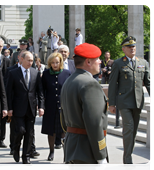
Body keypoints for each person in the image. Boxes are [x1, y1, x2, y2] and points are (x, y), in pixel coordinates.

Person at [61, 43, 108, 170]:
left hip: (74, 146)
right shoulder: (90, 84)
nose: (100, 62)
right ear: (88, 62)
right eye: (97, 59)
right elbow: (95, 123)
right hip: (87, 149)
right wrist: (101, 154)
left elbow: (63, 118)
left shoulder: (69, 81)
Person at [108, 36, 152, 170]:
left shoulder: (143, 62)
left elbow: (148, 82)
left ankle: (128, 155)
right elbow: (113, 84)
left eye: (133, 46)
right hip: (124, 102)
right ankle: (128, 160)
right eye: (129, 47)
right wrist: (112, 103)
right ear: (123, 49)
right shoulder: (118, 63)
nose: (132, 49)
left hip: (138, 102)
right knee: (128, 129)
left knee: (133, 131)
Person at [6, 51, 45, 166]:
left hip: (31, 108)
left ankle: (26, 157)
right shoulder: (13, 73)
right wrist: (9, 108)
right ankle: (16, 146)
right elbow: (8, 92)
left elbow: (40, 92)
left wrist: (41, 106)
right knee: (21, 130)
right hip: (17, 108)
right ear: (21, 59)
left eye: (32, 60)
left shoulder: (35, 73)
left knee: (29, 133)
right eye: (28, 60)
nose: (30, 63)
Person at [41, 52, 71, 161]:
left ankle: (66, 154)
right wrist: (42, 106)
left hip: (63, 107)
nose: (55, 65)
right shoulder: (46, 74)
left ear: (61, 62)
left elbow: (70, 90)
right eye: (53, 63)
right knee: (51, 131)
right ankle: (51, 151)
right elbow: (42, 91)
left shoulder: (67, 73)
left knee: (64, 131)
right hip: (50, 107)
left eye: (57, 62)